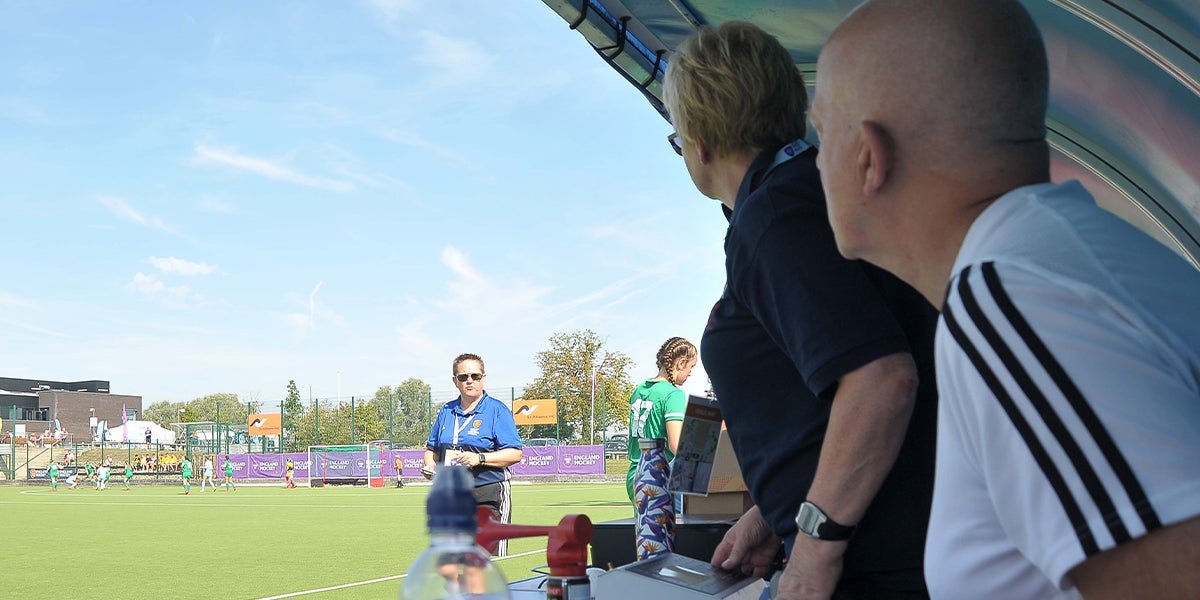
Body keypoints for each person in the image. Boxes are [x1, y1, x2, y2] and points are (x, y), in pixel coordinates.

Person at [811, 1, 1200, 597]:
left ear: (868, 156)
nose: (815, 161)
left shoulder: (1011, 298)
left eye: (822, 134)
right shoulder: (1050, 267)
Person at [663, 21, 940, 598]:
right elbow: (820, 406)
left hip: (876, 566)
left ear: (700, 142)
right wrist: (773, 513)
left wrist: (813, 553)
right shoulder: (809, 197)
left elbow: (881, 380)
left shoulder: (774, 218)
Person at [424, 353, 524, 556]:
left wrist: (479, 458)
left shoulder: (497, 410)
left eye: (475, 376)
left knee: (481, 560)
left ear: (483, 378)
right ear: (455, 381)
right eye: (463, 377)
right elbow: (432, 449)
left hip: (487, 493)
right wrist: (430, 466)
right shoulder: (446, 411)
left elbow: (515, 454)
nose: (469, 381)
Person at [625, 337, 697, 504]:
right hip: (659, 476)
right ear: (681, 363)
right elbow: (676, 445)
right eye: (691, 366)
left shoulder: (639, 390)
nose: (691, 373)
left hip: (635, 474)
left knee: (645, 529)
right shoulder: (673, 394)